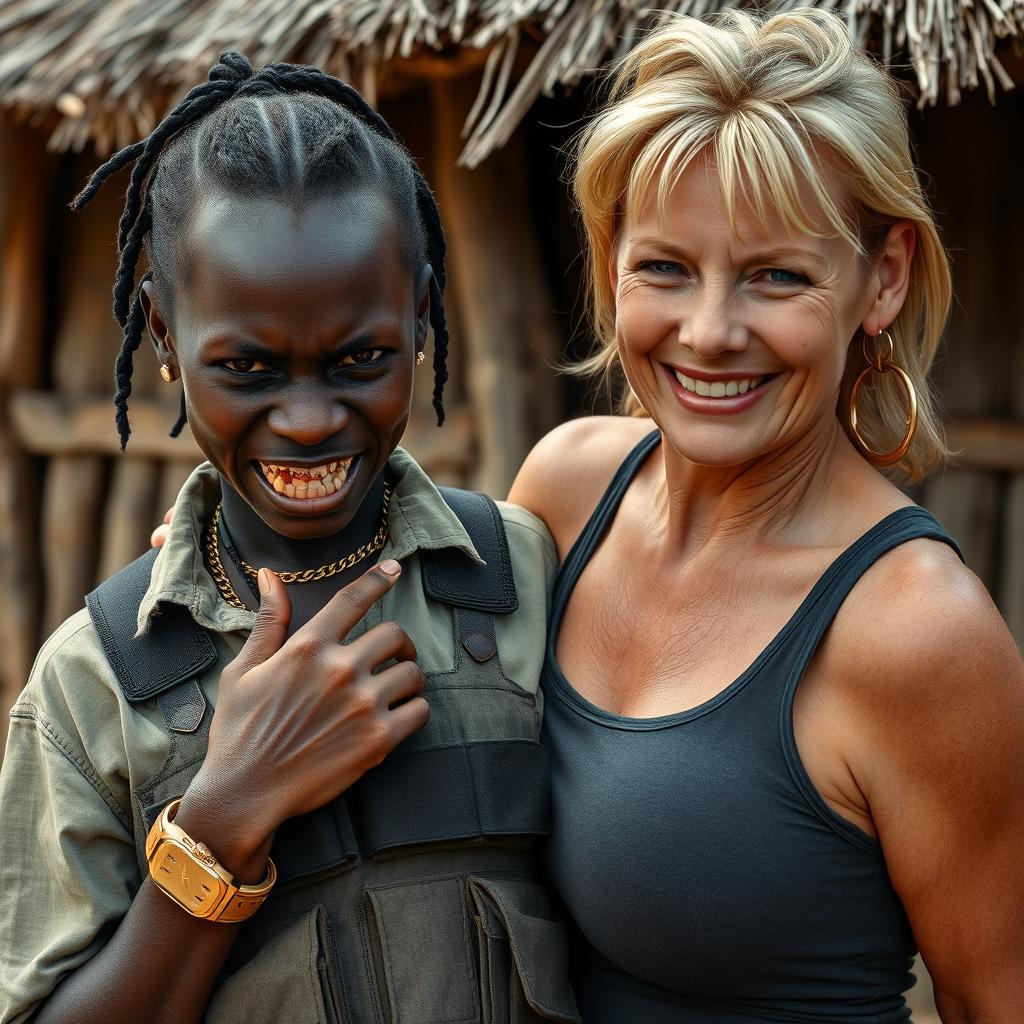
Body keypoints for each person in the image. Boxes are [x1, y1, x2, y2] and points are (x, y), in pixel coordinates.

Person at [0, 53, 581, 1024]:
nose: (309, 419)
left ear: (424, 314)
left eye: (361, 357)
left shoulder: (524, 577)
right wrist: (225, 814)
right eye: (247, 366)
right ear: (163, 339)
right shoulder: (91, 687)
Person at [503, 9, 1024, 1023]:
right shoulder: (565, 492)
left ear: (882, 278)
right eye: (665, 267)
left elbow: (993, 996)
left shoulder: (918, 633)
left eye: (776, 275)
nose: (708, 333)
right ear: (610, 260)